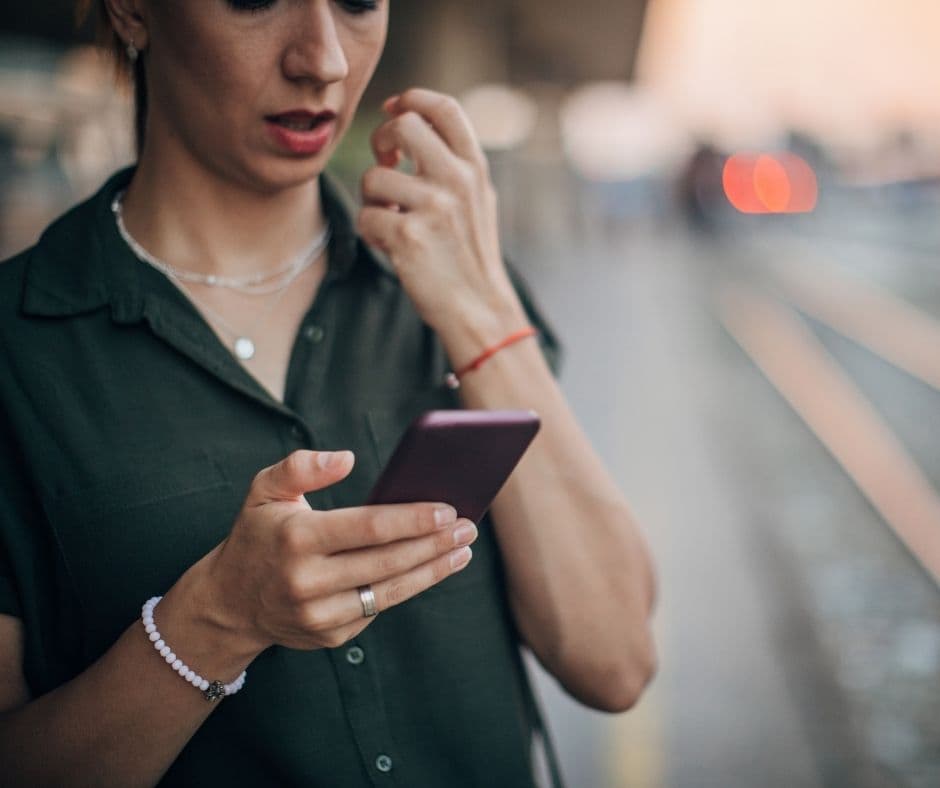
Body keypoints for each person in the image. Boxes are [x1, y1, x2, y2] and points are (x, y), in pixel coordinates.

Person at [0, 1, 656, 785]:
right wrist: (215, 621)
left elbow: (615, 662)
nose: (325, 60)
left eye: (357, 3)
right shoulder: (19, 351)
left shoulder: (449, 278)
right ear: (134, 11)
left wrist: (483, 311)